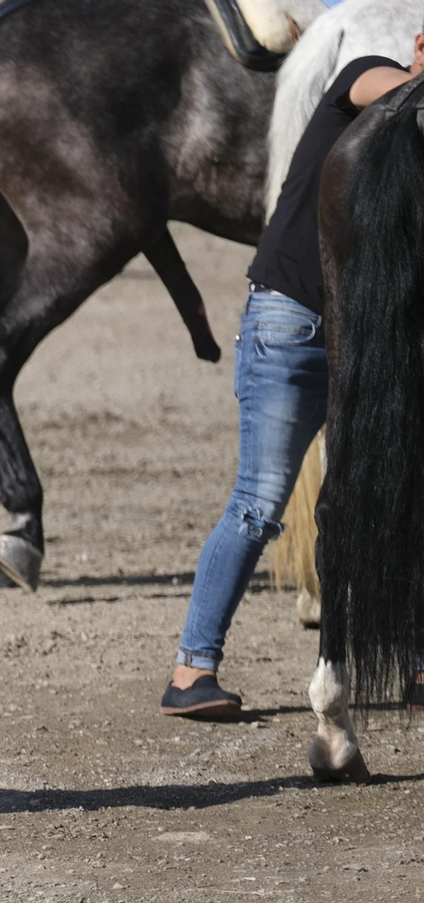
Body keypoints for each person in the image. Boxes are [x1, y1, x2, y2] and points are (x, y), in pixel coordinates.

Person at [161, 32, 424, 720]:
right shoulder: (368, 75)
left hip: (353, 332)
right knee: (258, 502)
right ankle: (191, 670)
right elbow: (380, 91)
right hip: (289, 323)